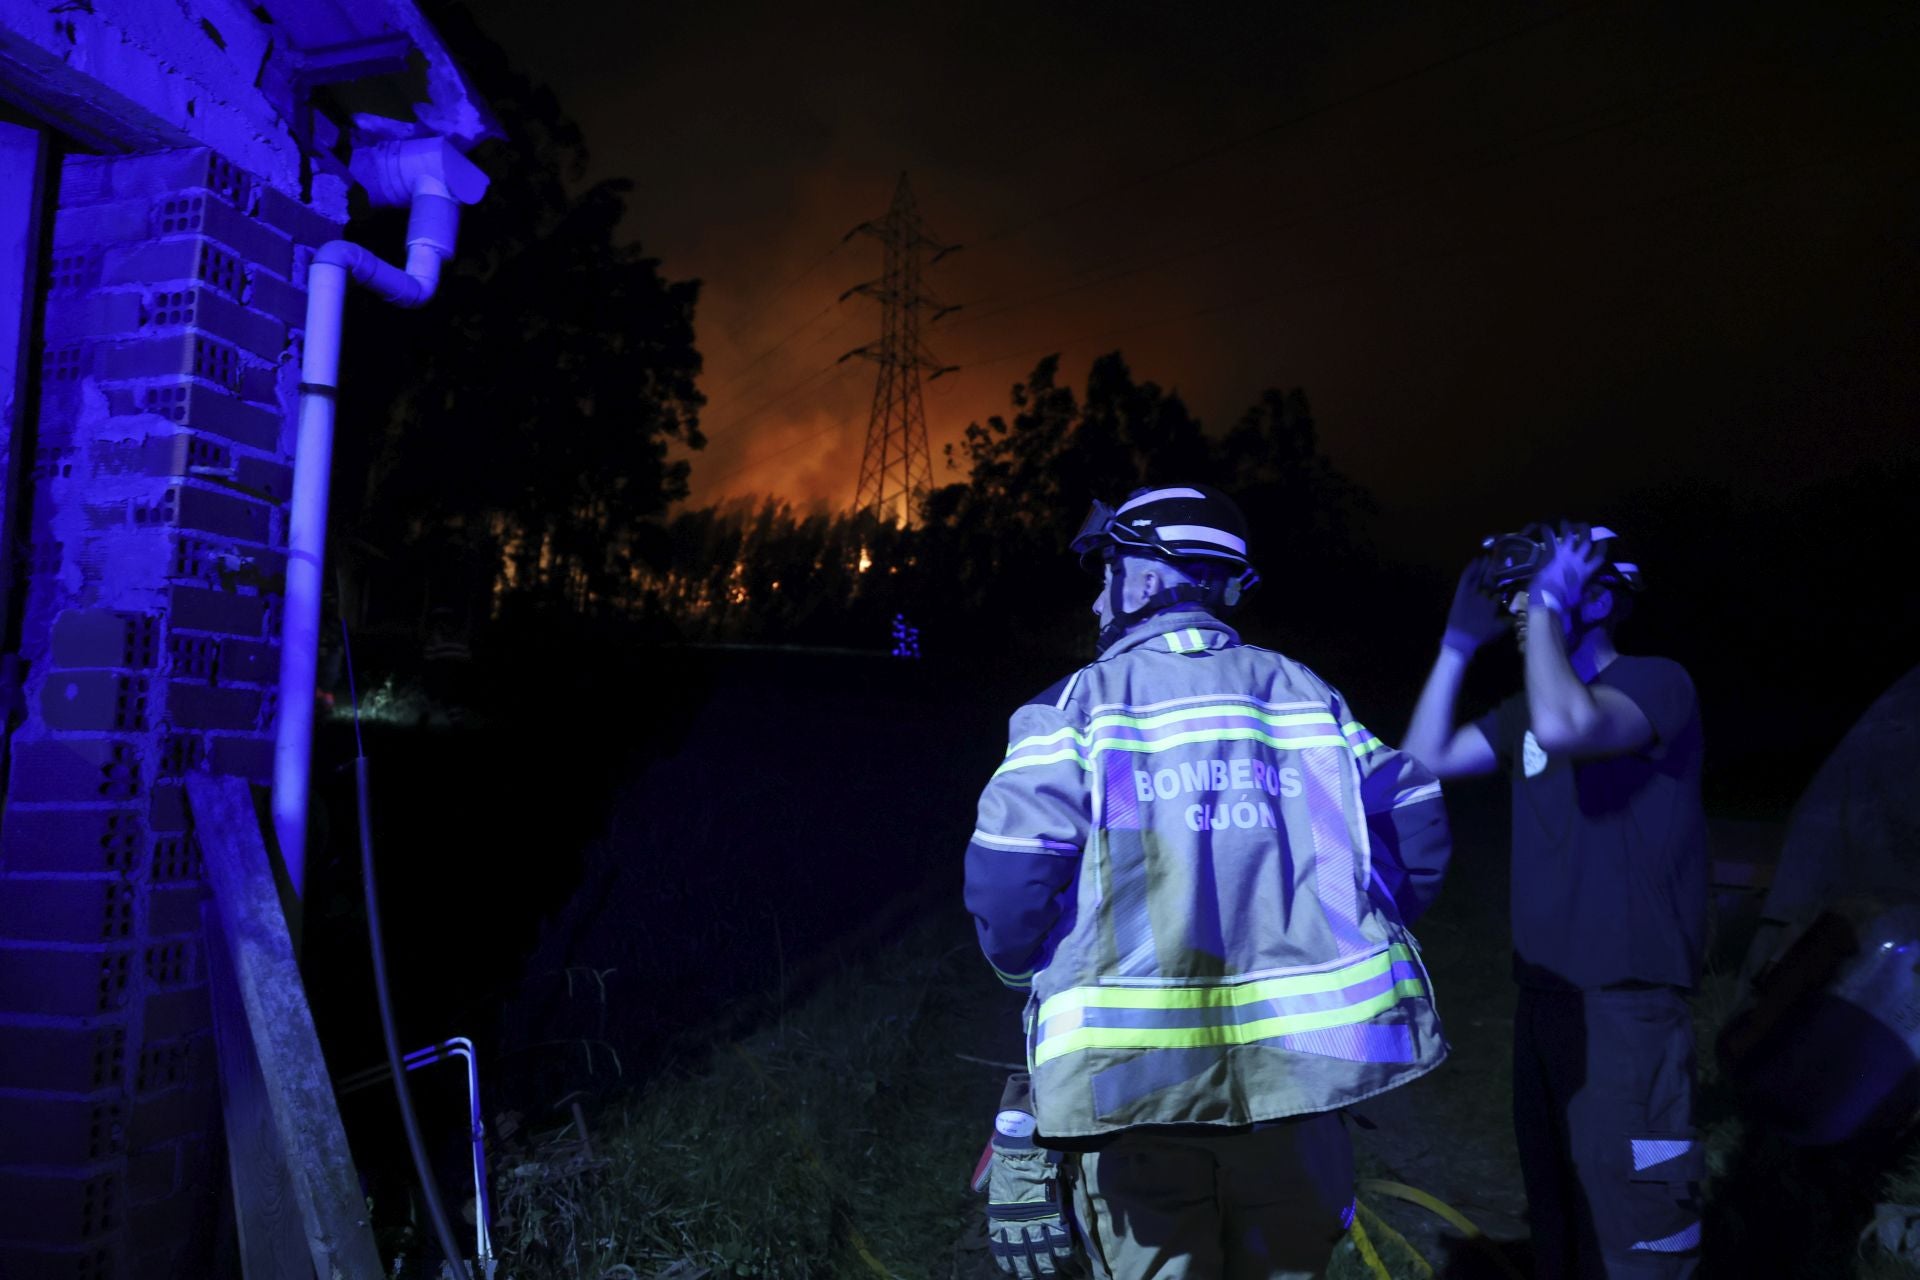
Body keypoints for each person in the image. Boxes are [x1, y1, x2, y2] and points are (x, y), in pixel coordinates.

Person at [963, 484, 1453, 1280]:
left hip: (1135, 1099)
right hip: (1304, 1083)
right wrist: (1348, 920)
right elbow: (1414, 820)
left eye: (1106, 575)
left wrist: (1032, 974)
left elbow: (1009, 890)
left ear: (1147, 577)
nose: (1096, 600)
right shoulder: (1304, 694)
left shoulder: (1073, 711)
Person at [1400, 522, 1707, 1278]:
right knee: (1561, 1212)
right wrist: (1455, 647)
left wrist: (1543, 605)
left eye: (1532, 591)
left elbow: (1570, 725)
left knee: (1633, 1219)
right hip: (1545, 998)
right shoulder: (1526, 712)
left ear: (1596, 600)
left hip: (1627, 1005)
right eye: (1513, 595)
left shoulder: (1656, 682)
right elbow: (1419, 762)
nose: (1516, 608)